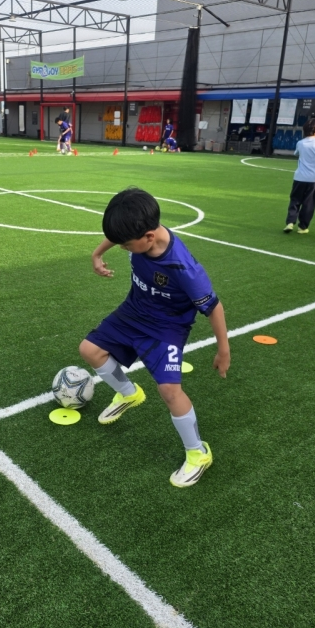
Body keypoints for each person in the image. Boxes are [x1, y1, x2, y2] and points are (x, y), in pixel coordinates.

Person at [78, 188, 230, 488]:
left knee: (170, 392)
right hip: (134, 312)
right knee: (90, 350)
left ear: (148, 237)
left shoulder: (183, 268)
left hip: (167, 328)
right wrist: (97, 253)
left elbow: (214, 308)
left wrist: (223, 349)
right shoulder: (139, 235)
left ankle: (198, 454)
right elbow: (120, 235)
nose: (122, 248)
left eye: (126, 245)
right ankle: (128, 393)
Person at [283, 118, 315, 234]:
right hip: (314, 179)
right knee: (309, 203)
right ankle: (303, 227)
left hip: (299, 177)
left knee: (295, 200)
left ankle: (290, 222)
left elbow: (297, 153)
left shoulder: (300, 143)